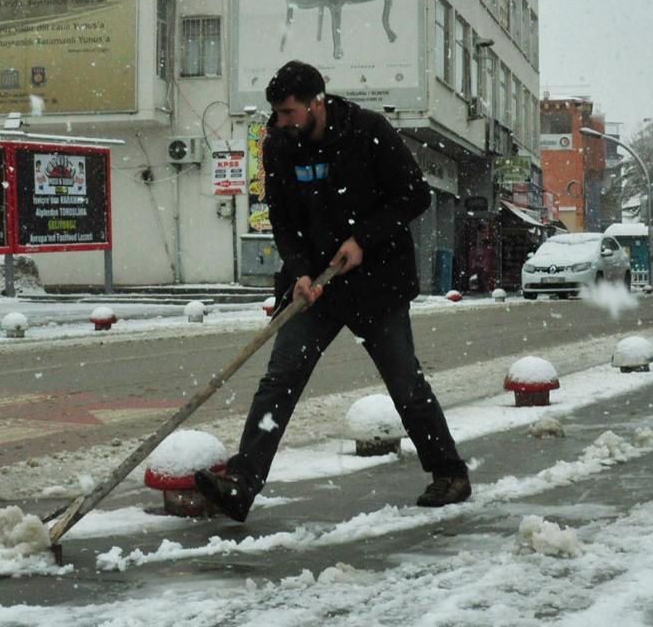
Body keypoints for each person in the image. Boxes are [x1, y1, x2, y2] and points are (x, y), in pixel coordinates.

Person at [195, 61, 470, 521]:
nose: (281, 122)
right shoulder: (278, 145)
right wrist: (301, 271)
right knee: (279, 381)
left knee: (404, 381)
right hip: (315, 290)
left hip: (377, 284)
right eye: (277, 114)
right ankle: (242, 483)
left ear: (316, 102)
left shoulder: (369, 131)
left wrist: (363, 239)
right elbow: (281, 218)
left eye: (288, 112)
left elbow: (414, 195)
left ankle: (450, 473)